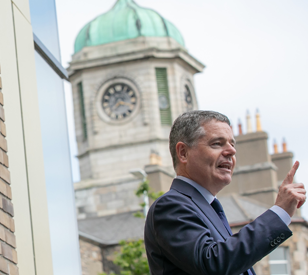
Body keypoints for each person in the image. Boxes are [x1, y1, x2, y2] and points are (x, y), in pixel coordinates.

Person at [144, 110, 306, 275]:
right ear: (183, 153)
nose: (231, 151)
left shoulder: (208, 207)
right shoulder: (170, 206)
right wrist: (279, 212)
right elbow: (215, 263)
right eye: (217, 143)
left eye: (232, 144)